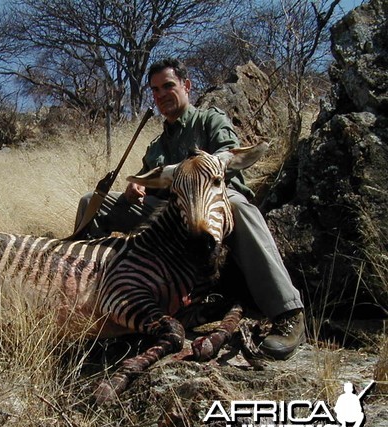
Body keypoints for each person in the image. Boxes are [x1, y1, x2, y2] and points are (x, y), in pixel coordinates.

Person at [74, 58, 305, 360]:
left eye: (168, 86)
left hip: (214, 205)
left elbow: (227, 153)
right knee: (92, 201)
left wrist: (194, 172)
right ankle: (86, 291)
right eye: (155, 90)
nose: (161, 95)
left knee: (240, 206)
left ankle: (288, 312)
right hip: (173, 216)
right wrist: (138, 188)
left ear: (186, 85)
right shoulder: (157, 146)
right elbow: (149, 180)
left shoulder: (210, 120)